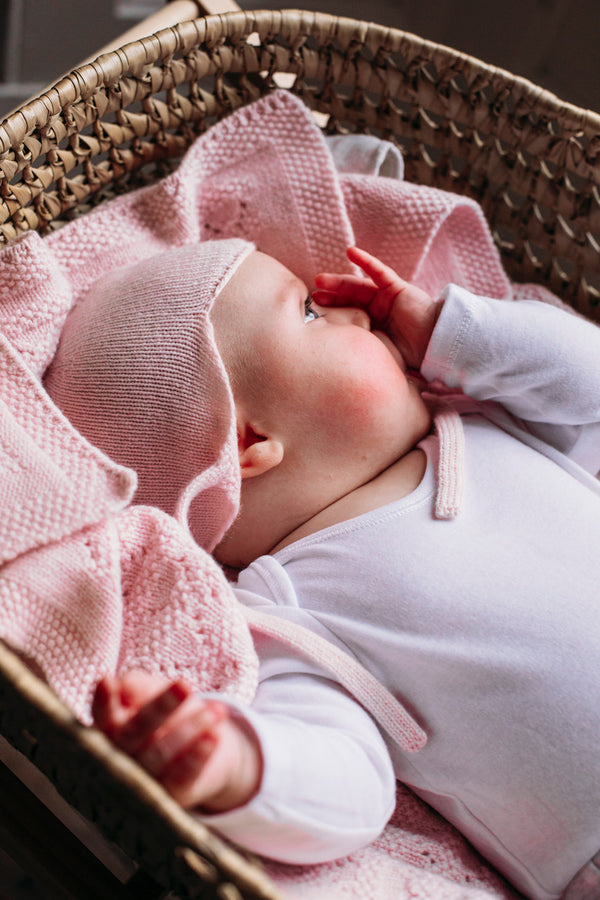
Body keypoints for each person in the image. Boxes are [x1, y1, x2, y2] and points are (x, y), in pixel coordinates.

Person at [87, 241, 600, 900]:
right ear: (249, 442)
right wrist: (236, 762)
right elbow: (350, 787)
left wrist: (454, 331)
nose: (356, 315)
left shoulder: (481, 418)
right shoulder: (288, 608)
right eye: (308, 313)